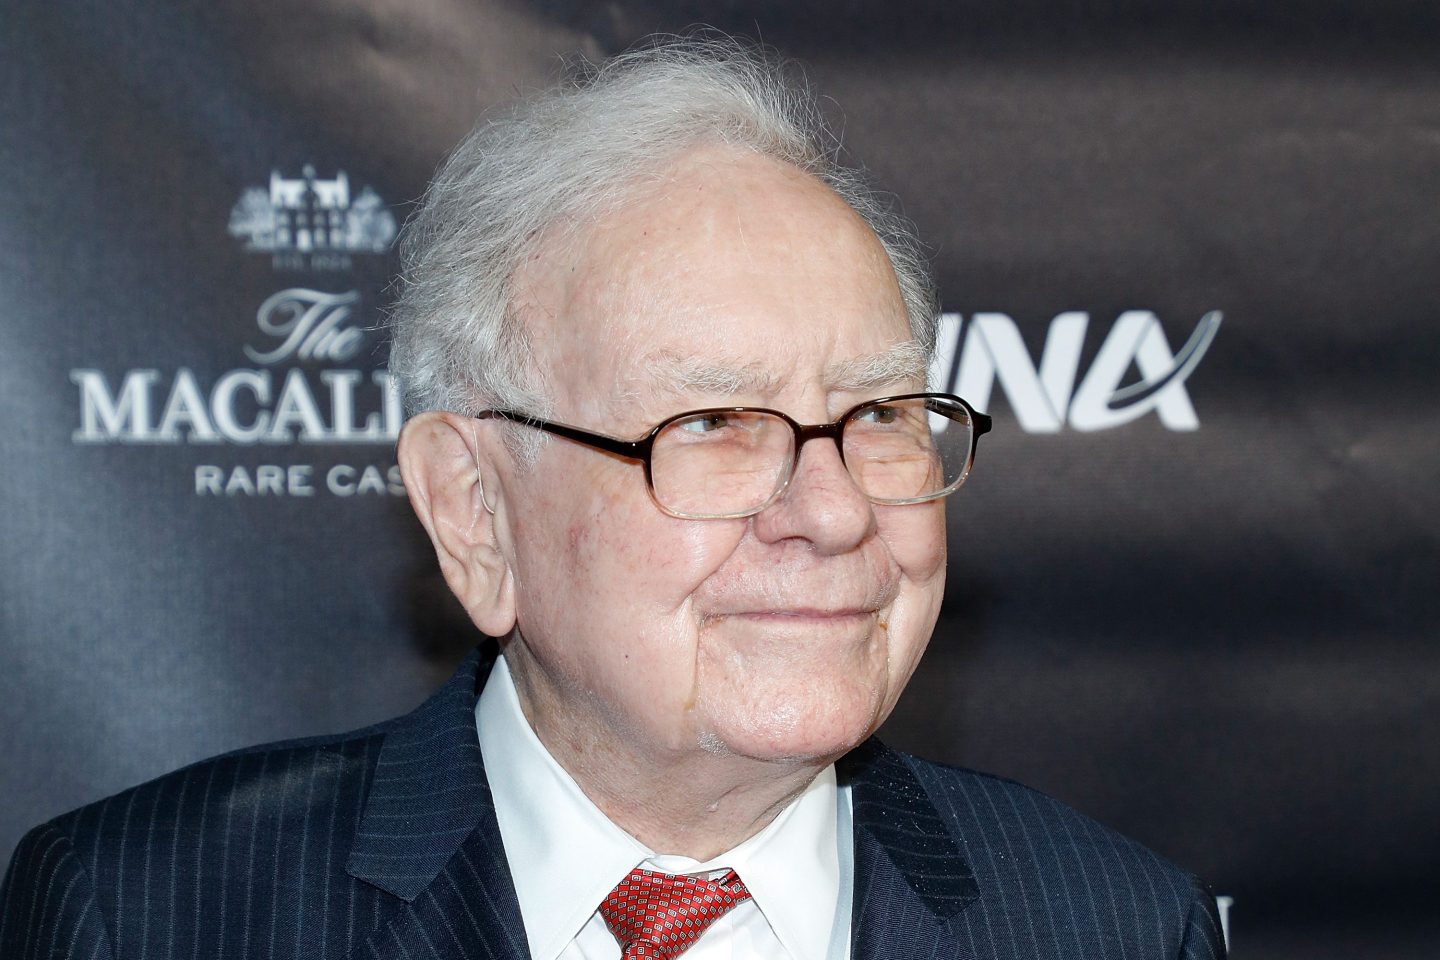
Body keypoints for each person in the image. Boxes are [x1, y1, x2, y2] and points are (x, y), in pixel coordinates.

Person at [0, 37, 1225, 960]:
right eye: (714, 425)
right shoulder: (149, 914)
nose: (836, 512)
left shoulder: (1114, 926)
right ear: (475, 511)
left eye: (879, 417)